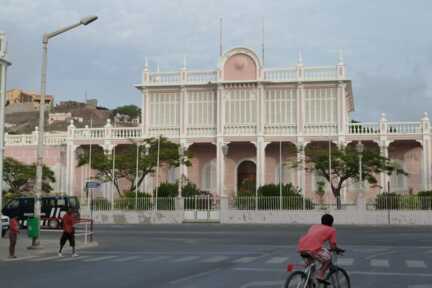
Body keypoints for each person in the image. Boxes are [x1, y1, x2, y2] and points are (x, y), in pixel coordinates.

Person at [297, 214, 343, 284]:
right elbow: (333, 246)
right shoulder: (331, 230)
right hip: (313, 250)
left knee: (311, 266)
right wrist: (337, 249)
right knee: (328, 258)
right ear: (331, 223)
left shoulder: (314, 226)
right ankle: (320, 274)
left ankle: (308, 280)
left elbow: (312, 238)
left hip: (302, 247)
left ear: (322, 221)